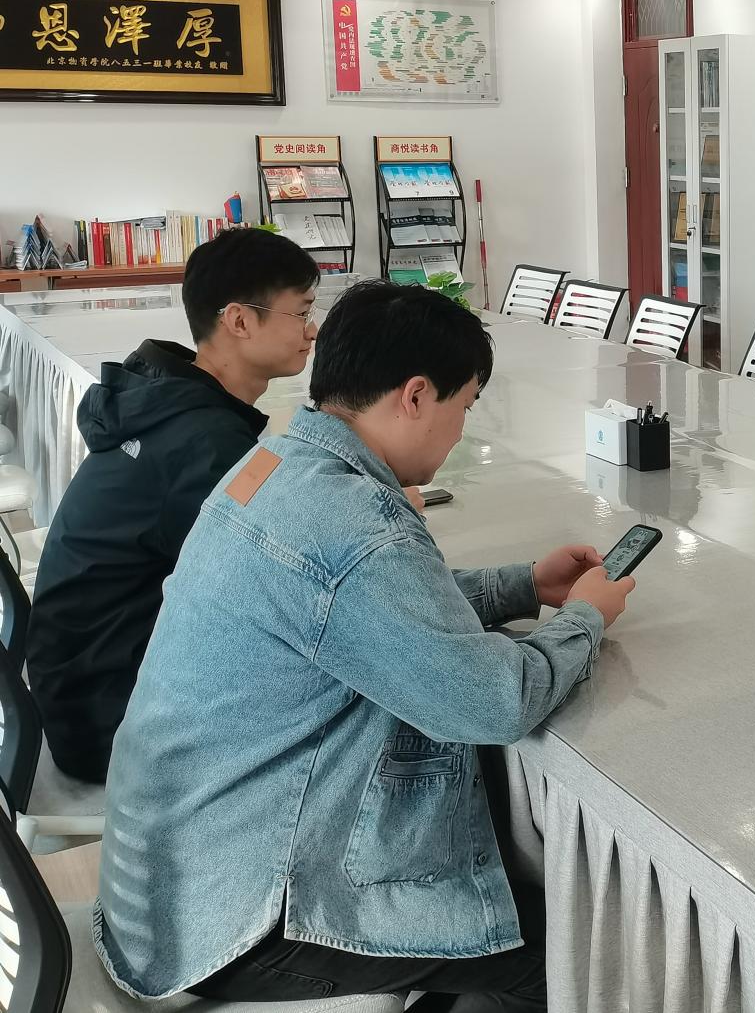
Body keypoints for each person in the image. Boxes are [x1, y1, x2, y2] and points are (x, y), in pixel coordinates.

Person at [94, 281, 636, 1010]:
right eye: (465, 406)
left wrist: (524, 586)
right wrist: (588, 619)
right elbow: (493, 702)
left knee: (501, 895)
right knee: (570, 959)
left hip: (166, 880)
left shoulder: (272, 465)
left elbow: (359, 604)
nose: (462, 431)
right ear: (416, 395)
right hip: (235, 920)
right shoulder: (356, 525)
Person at [25, 226, 320, 784]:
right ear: (239, 321)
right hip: (113, 721)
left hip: (75, 685)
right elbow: (278, 587)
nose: (312, 330)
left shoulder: (164, 402)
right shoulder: (205, 443)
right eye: (301, 312)